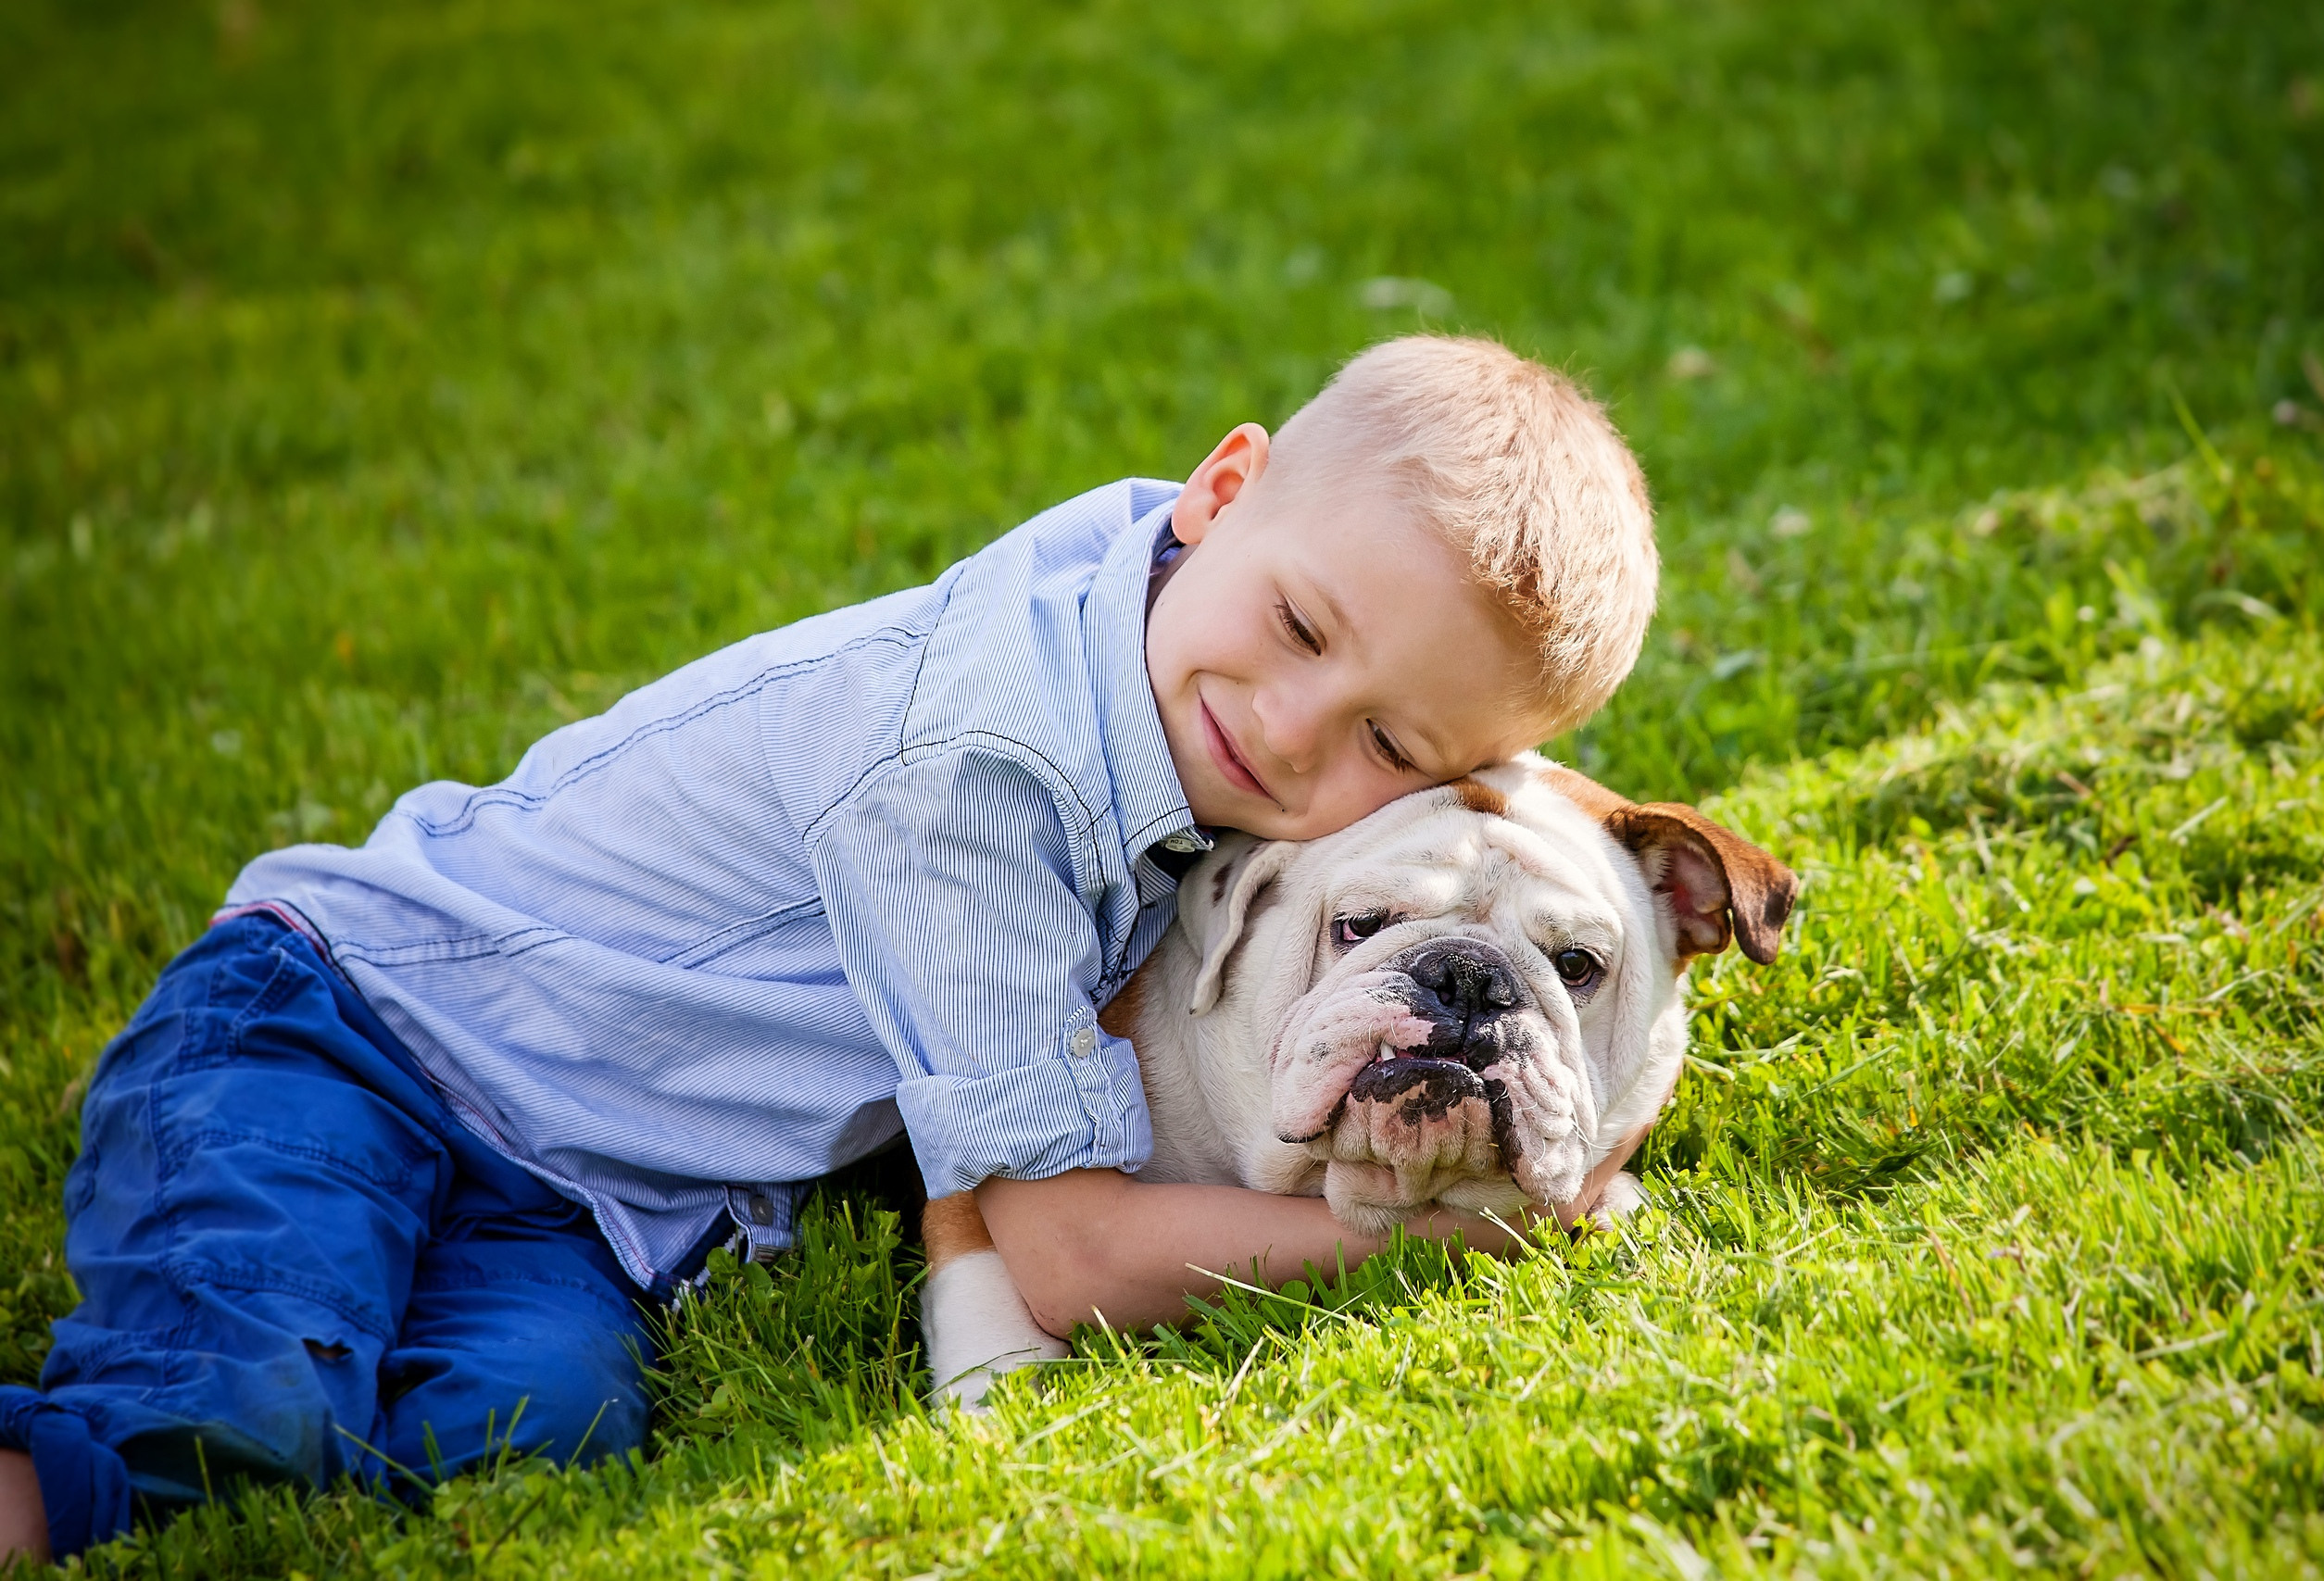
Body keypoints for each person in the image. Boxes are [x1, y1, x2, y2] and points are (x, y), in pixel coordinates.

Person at [0, 335, 1659, 1561]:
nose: (1293, 732)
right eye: (1300, 629)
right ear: (1222, 491)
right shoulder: (973, 780)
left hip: (578, 1185)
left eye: (1390, 744)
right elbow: (1070, 1258)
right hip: (345, 1029)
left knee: (523, 1437)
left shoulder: (1173, 602)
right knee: (237, 1419)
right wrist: (1460, 1238)